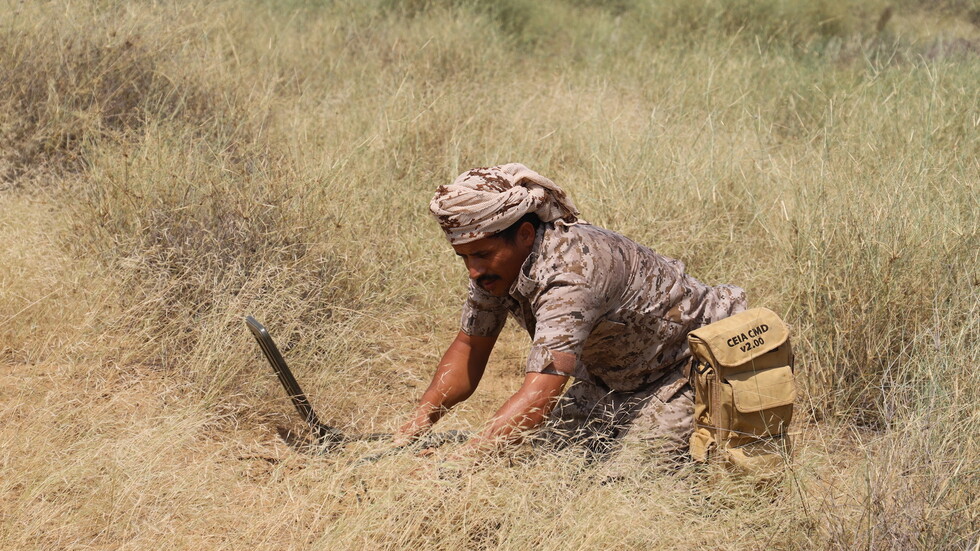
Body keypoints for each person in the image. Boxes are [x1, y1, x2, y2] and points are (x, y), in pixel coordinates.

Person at [393, 164, 746, 461]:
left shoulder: (572, 273)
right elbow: (470, 347)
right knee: (547, 465)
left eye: (481, 254)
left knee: (627, 492)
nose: (473, 270)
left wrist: (461, 461)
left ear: (525, 235)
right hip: (612, 378)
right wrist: (420, 420)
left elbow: (541, 391)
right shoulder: (494, 271)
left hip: (684, 369)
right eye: (465, 258)